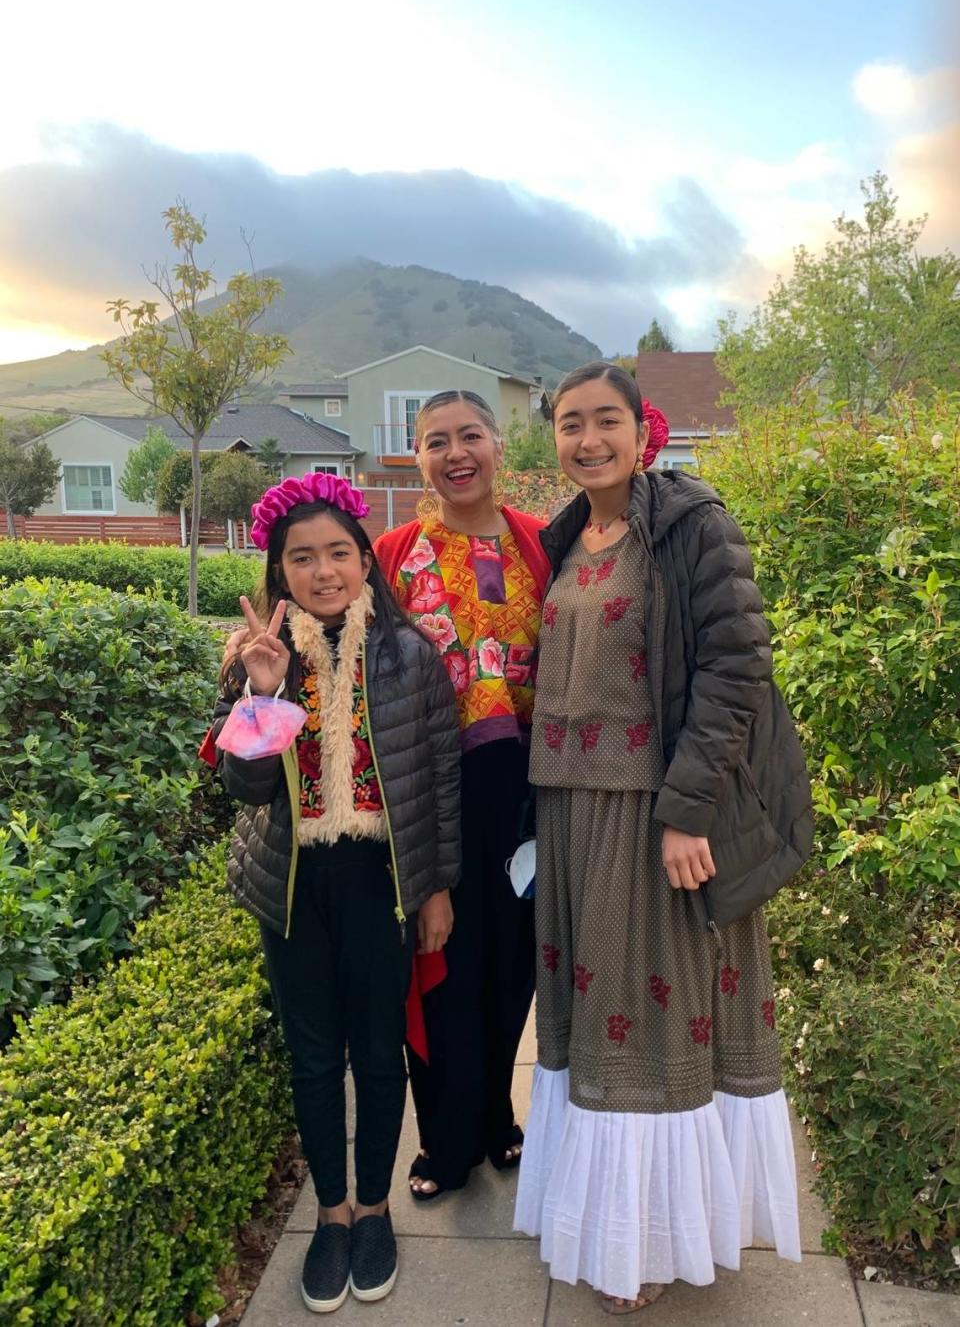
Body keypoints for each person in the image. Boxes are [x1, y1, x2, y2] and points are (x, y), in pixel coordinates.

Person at [514, 362, 812, 1314]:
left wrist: (686, 809)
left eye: (607, 420)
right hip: (567, 811)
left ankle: (646, 1239)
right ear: (553, 438)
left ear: (644, 431)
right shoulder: (565, 538)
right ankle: (606, 1215)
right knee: (591, 1029)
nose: (588, 439)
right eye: (570, 424)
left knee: (646, 1024)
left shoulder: (690, 525)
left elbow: (737, 667)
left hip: (650, 815)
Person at [209, 472, 461, 1314]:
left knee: (379, 1050)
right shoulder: (253, 658)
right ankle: (331, 1214)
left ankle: (378, 1209)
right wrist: (264, 692)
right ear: (279, 572)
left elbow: (436, 784)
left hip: (379, 883)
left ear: (364, 560)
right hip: (293, 887)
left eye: (339, 554)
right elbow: (242, 791)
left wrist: (433, 890)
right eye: (302, 558)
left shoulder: (411, 655)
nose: (324, 572)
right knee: (314, 1057)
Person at [374, 389, 551, 1199]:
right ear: (417, 456)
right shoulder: (393, 553)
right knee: (440, 958)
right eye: (435, 440)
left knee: (510, 961)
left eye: (470, 434)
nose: (456, 452)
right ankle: (442, 1143)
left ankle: (496, 1120)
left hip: (523, 788)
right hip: (431, 790)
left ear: (497, 444)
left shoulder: (540, 545)